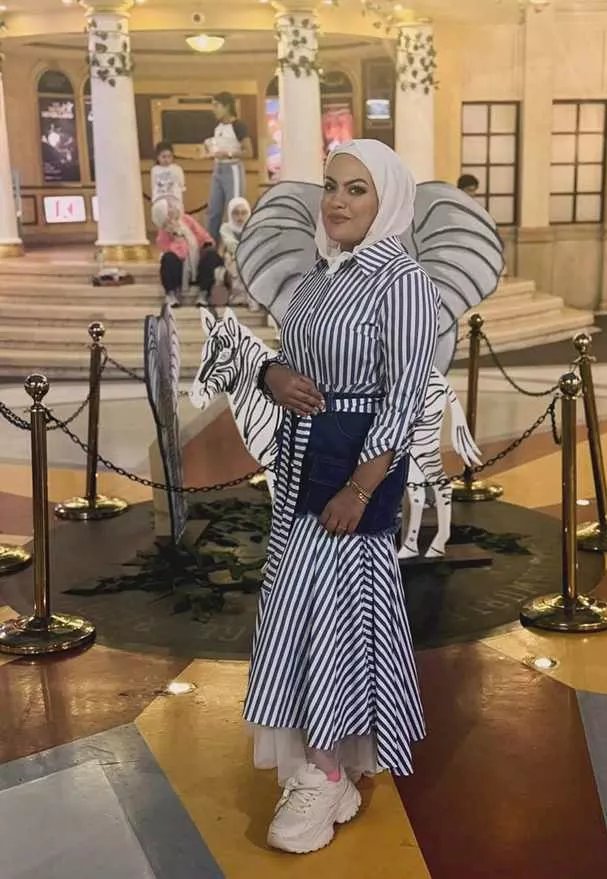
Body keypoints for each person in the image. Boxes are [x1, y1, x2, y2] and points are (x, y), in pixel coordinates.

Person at [245, 139, 440, 854]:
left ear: (386, 199)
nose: (337, 201)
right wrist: (271, 375)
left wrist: (362, 486)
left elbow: (405, 395)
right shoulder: (320, 275)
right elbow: (290, 355)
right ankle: (326, 767)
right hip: (300, 465)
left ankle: (325, 772)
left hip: (354, 471)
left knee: (335, 618)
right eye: (331, 186)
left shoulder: (403, 280)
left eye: (357, 189)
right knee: (296, 615)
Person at [152, 198, 222, 308]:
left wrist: (206, 244)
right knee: (168, 258)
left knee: (211, 255)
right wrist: (177, 236)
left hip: (197, 263)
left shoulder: (186, 220)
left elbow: (203, 236)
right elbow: (180, 254)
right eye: (169, 208)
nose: (174, 208)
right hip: (180, 270)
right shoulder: (163, 234)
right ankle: (171, 294)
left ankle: (203, 294)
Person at [205, 91, 254, 240]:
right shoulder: (218, 127)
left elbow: (249, 152)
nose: (214, 109)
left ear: (226, 107)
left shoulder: (238, 126)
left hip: (232, 170)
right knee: (213, 211)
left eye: (217, 105)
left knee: (235, 208)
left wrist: (228, 154)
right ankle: (211, 245)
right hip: (218, 169)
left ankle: (237, 244)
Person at [218, 196, 258, 310]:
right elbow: (227, 246)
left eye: (243, 213)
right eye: (236, 213)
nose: (240, 217)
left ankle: (251, 297)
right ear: (230, 214)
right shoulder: (225, 228)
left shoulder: (254, 228)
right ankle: (242, 297)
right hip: (231, 260)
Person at [151, 141, 186, 208]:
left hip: (175, 200)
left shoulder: (177, 169)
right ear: (158, 157)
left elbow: (182, 186)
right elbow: (153, 187)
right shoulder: (154, 170)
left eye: (169, 156)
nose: (166, 159)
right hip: (159, 201)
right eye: (163, 157)